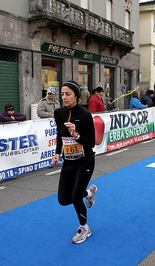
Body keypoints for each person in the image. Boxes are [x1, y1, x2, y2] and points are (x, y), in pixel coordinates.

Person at [50, 80, 97, 244]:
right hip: (69, 161)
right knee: (63, 199)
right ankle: (88, 194)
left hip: (85, 160)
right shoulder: (59, 113)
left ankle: (84, 227)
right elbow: (59, 135)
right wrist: (57, 153)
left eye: (68, 94)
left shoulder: (84, 114)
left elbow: (91, 142)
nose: (64, 97)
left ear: (76, 95)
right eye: (62, 94)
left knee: (75, 197)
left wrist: (76, 135)